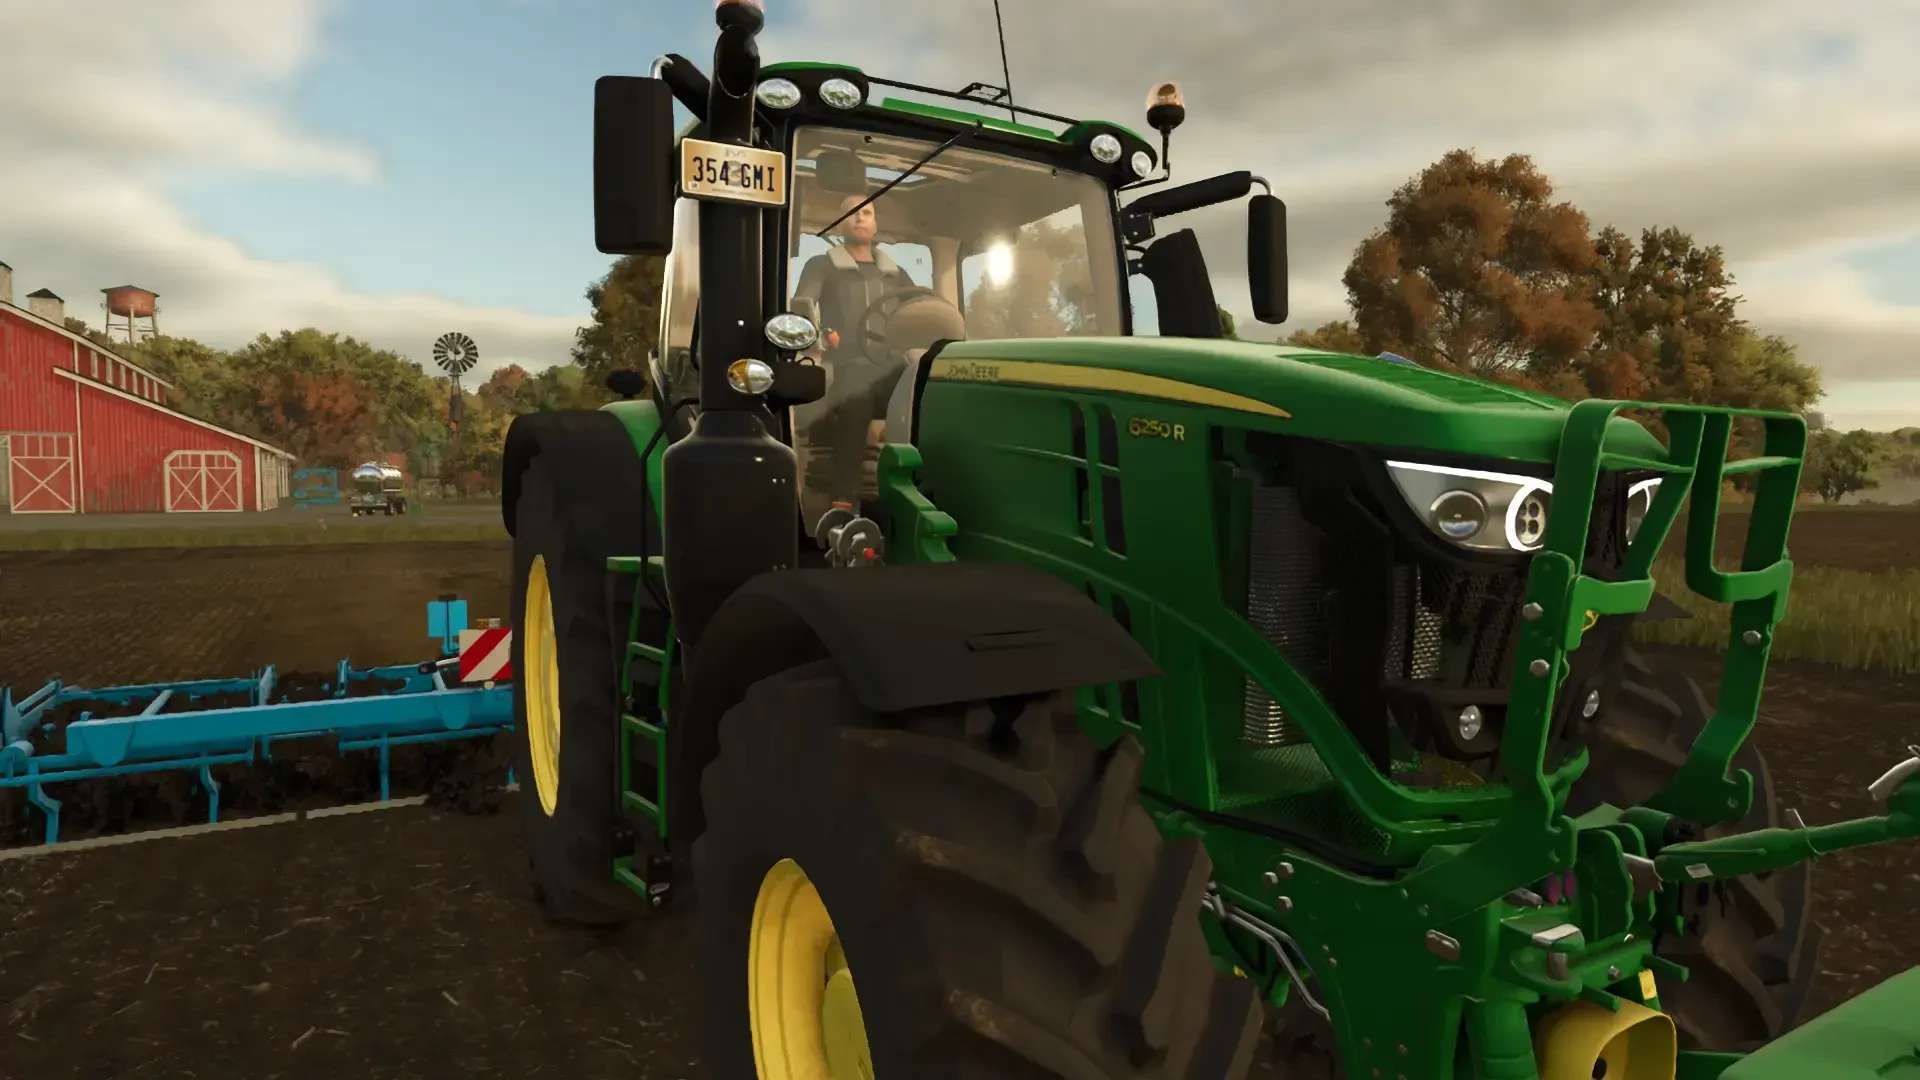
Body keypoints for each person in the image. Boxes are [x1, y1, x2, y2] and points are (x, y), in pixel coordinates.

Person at [791, 194, 915, 525]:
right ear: (840, 223)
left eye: (867, 212)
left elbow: (919, 310)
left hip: (890, 367)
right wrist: (820, 336)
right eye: (852, 213)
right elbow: (803, 308)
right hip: (844, 366)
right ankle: (842, 503)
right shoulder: (822, 266)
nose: (860, 218)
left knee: (923, 386)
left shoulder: (896, 274)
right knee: (857, 393)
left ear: (875, 223)